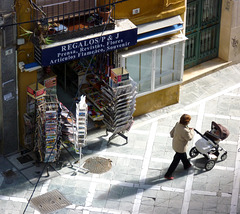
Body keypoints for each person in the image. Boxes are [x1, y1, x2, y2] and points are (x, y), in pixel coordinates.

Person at [164, 114, 194, 180]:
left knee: (183, 155)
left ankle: (186, 165)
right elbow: (189, 138)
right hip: (181, 148)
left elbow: (172, 132)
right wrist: (191, 131)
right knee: (176, 161)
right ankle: (168, 174)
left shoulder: (177, 124)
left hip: (175, 144)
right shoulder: (186, 131)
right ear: (187, 122)